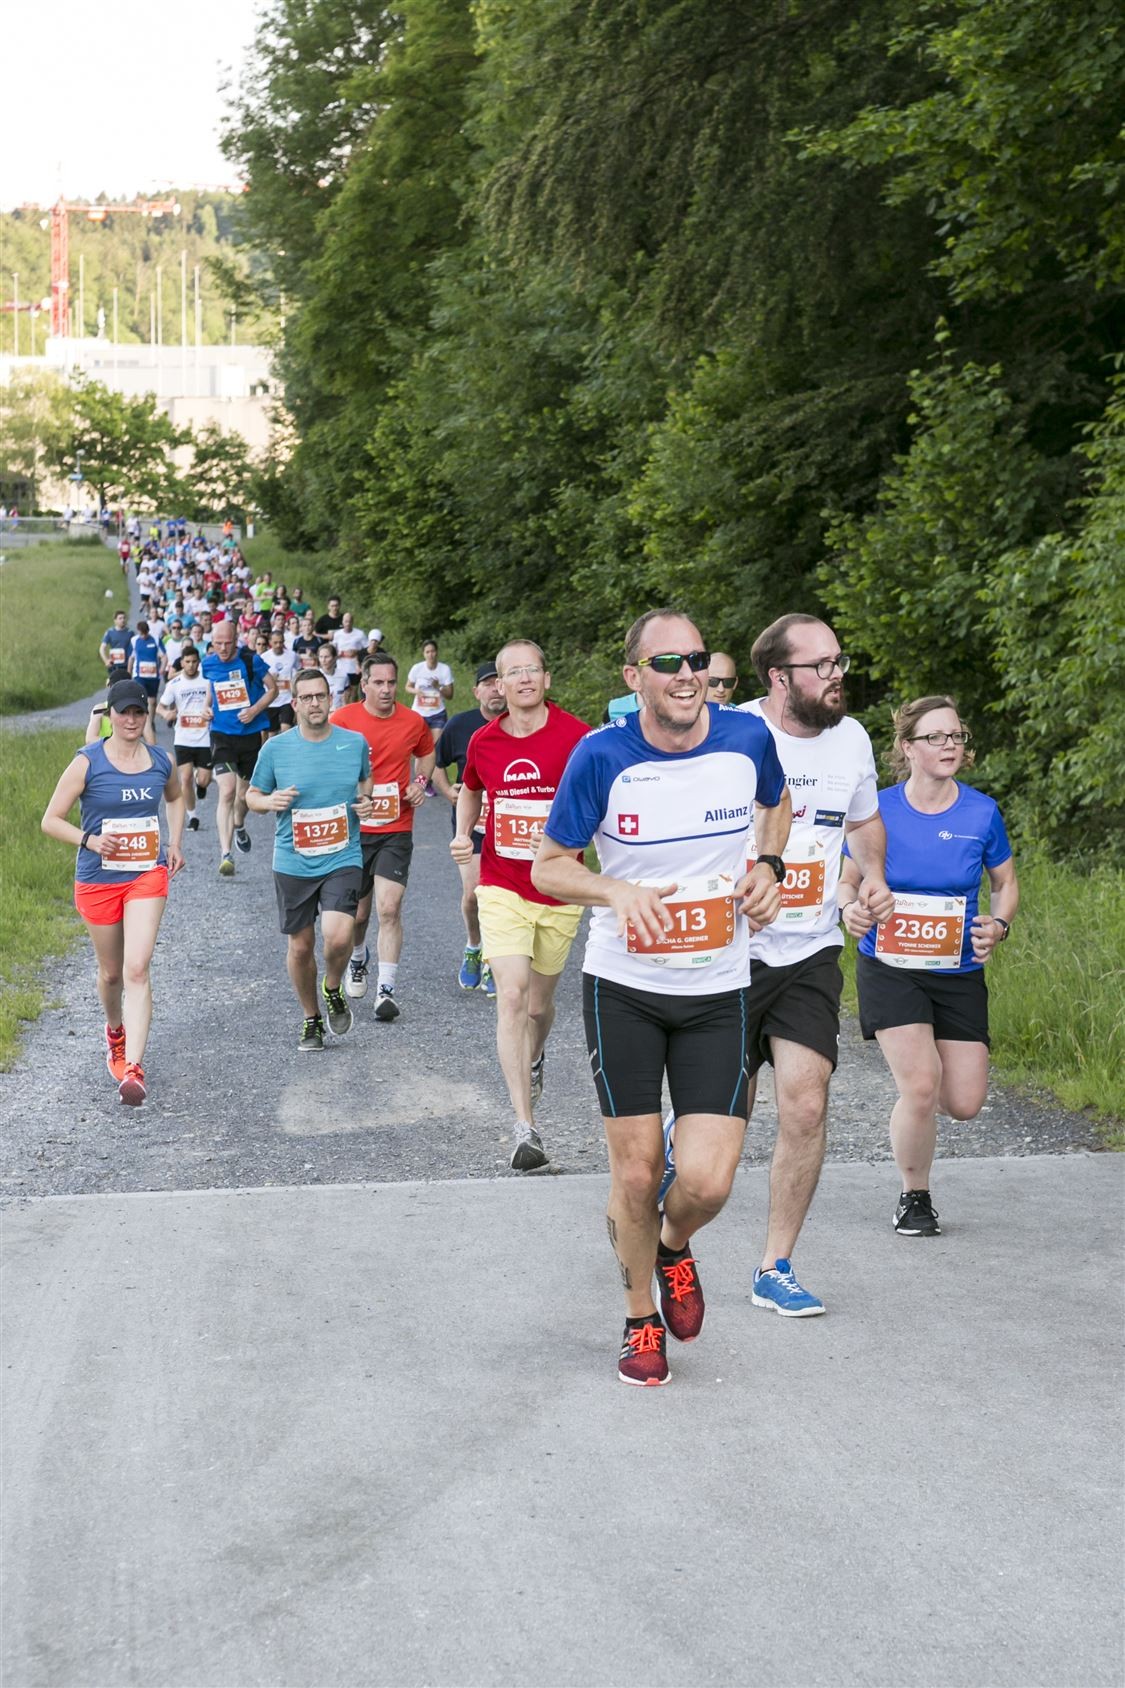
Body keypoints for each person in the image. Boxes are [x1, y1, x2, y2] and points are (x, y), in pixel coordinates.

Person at [533, 610, 791, 1385]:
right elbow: (549, 866)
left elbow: (777, 803)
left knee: (706, 1182)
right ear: (634, 677)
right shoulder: (600, 756)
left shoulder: (745, 739)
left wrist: (769, 866)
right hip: (626, 990)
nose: (687, 675)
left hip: (717, 988)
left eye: (696, 660)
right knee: (639, 1173)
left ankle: (673, 1246)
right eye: (668, 662)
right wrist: (613, 890)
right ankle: (638, 1316)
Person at [839, 695, 1018, 1236]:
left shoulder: (981, 812)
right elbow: (847, 881)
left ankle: (911, 1116)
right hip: (890, 966)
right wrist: (849, 909)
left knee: (962, 1102)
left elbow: (1005, 883)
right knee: (921, 1085)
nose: (949, 745)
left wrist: (998, 924)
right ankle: (913, 1196)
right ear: (907, 747)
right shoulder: (878, 810)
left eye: (956, 736)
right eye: (935, 737)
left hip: (958, 970)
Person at [452, 640, 590, 1172]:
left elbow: (602, 802)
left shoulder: (578, 737)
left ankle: (535, 1054)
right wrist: (464, 832)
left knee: (537, 1007)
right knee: (511, 995)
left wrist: (570, 841)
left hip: (559, 890)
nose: (525, 679)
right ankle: (524, 1128)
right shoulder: (484, 741)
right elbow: (470, 788)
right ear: (499, 684)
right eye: (514, 672)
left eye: (533, 670)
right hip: (501, 884)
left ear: (547, 680)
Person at [41, 679, 185, 1105]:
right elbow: (51, 820)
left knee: (137, 968)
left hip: (146, 875)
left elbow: (176, 798)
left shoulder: (161, 760)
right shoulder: (87, 762)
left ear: (146, 715)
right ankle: (116, 1032)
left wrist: (175, 842)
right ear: (110, 715)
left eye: (138, 712)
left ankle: (134, 1069)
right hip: (98, 879)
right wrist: (89, 840)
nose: (131, 720)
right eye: (124, 712)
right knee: (112, 974)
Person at [245, 667, 374, 1050]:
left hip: (342, 855)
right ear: (295, 703)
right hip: (293, 861)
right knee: (301, 947)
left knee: (339, 936)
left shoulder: (354, 743)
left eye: (321, 696)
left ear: (330, 699)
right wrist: (270, 801)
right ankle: (311, 1018)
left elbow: (365, 780)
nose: (315, 703)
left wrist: (365, 801)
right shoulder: (276, 749)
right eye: (307, 697)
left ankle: (332, 986)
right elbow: (251, 796)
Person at [330, 655, 435, 1015]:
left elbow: (426, 753)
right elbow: (325, 759)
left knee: (389, 908)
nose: (387, 689)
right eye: (378, 683)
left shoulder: (413, 721)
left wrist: (419, 782)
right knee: (359, 915)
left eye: (391, 682)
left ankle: (386, 991)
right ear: (364, 685)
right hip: (355, 830)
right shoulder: (343, 720)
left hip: (396, 827)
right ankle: (358, 957)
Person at [432, 661, 507, 991]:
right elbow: (436, 765)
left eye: (498, 682)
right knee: (474, 893)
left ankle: (494, 959)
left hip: (509, 826)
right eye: (487, 684)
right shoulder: (461, 725)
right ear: (476, 691)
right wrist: (447, 791)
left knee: (503, 895)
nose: (494, 689)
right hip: (471, 824)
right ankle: (474, 947)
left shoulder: (520, 724)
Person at [202, 620, 277, 877]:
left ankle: (239, 823)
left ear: (236, 640)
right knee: (226, 791)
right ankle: (226, 854)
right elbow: (211, 690)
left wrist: (254, 710)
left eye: (227, 643)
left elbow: (273, 689)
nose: (223, 648)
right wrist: (206, 708)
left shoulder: (251, 660)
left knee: (244, 795)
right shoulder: (208, 663)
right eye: (218, 644)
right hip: (221, 734)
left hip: (250, 734)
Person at [157, 645, 212, 831]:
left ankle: (200, 782)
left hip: (204, 737)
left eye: (194, 661)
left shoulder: (207, 681)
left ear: (198, 662)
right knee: (185, 778)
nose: (191, 665)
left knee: (204, 780)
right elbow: (160, 707)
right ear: (181, 663)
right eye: (187, 662)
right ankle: (193, 816)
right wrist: (166, 714)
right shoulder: (174, 684)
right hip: (183, 738)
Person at [406, 639, 455, 748]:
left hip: (438, 713)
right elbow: (408, 687)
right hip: (419, 713)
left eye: (432, 651)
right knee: (419, 748)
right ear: (423, 654)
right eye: (427, 652)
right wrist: (416, 691)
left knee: (437, 747)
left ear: (437, 652)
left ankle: (437, 760)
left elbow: (450, 695)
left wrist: (438, 686)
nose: (430, 655)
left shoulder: (444, 669)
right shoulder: (417, 668)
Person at [127, 618, 165, 730]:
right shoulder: (134, 640)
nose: (143, 636)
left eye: (145, 633)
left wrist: (162, 668)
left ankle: (151, 722)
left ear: (148, 631)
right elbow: (131, 658)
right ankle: (142, 723)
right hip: (139, 676)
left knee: (152, 701)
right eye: (141, 634)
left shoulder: (156, 639)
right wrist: (128, 673)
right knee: (141, 699)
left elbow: (164, 656)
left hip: (153, 676)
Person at [263, 627, 298, 736]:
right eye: (275, 642)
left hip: (287, 699)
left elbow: (298, 672)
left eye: (281, 642)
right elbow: (259, 679)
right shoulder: (264, 657)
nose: (278, 645)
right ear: (270, 642)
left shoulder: (292, 656)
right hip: (271, 700)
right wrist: (270, 679)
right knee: (272, 734)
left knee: (286, 729)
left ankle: (286, 747)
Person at [99, 610, 134, 681]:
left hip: (126, 665)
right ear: (115, 620)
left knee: (125, 684)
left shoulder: (130, 632)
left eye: (124, 618)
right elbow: (102, 648)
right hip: (114, 665)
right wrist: (106, 660)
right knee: (115, 684)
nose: (123, 620)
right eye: (120, 618)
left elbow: (134, 649)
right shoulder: (110, 632)